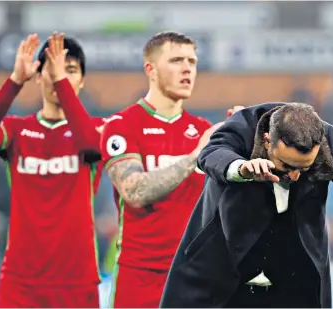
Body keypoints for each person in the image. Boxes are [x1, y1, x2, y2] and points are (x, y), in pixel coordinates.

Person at [160, 102, 333, 308]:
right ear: (266, 140)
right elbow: (212, 154)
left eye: (303, 168)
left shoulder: (323, 140)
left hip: (293, 274)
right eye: (287, 166)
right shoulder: (242, 127)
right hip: (224, 267)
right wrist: (241, 168)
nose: (295, 176)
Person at [0, 33, 104, 308]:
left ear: (81, 81)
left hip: (76, 281)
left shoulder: (97, 129)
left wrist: (59, 81)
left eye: (70, 70)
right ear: (37, 75)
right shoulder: (17, 130)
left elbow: (92, 148)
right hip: (21, 281)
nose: (60, 76)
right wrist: (14, 81)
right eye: (52, 68)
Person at [100, 31, 229, 308]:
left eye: (192, 62)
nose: (187, 69)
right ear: (151, 70)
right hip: (139, 278)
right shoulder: (121, 125)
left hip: (193, 275)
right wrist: (195, 156)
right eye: (176, 60)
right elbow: (134, 189)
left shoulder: (204, 131)